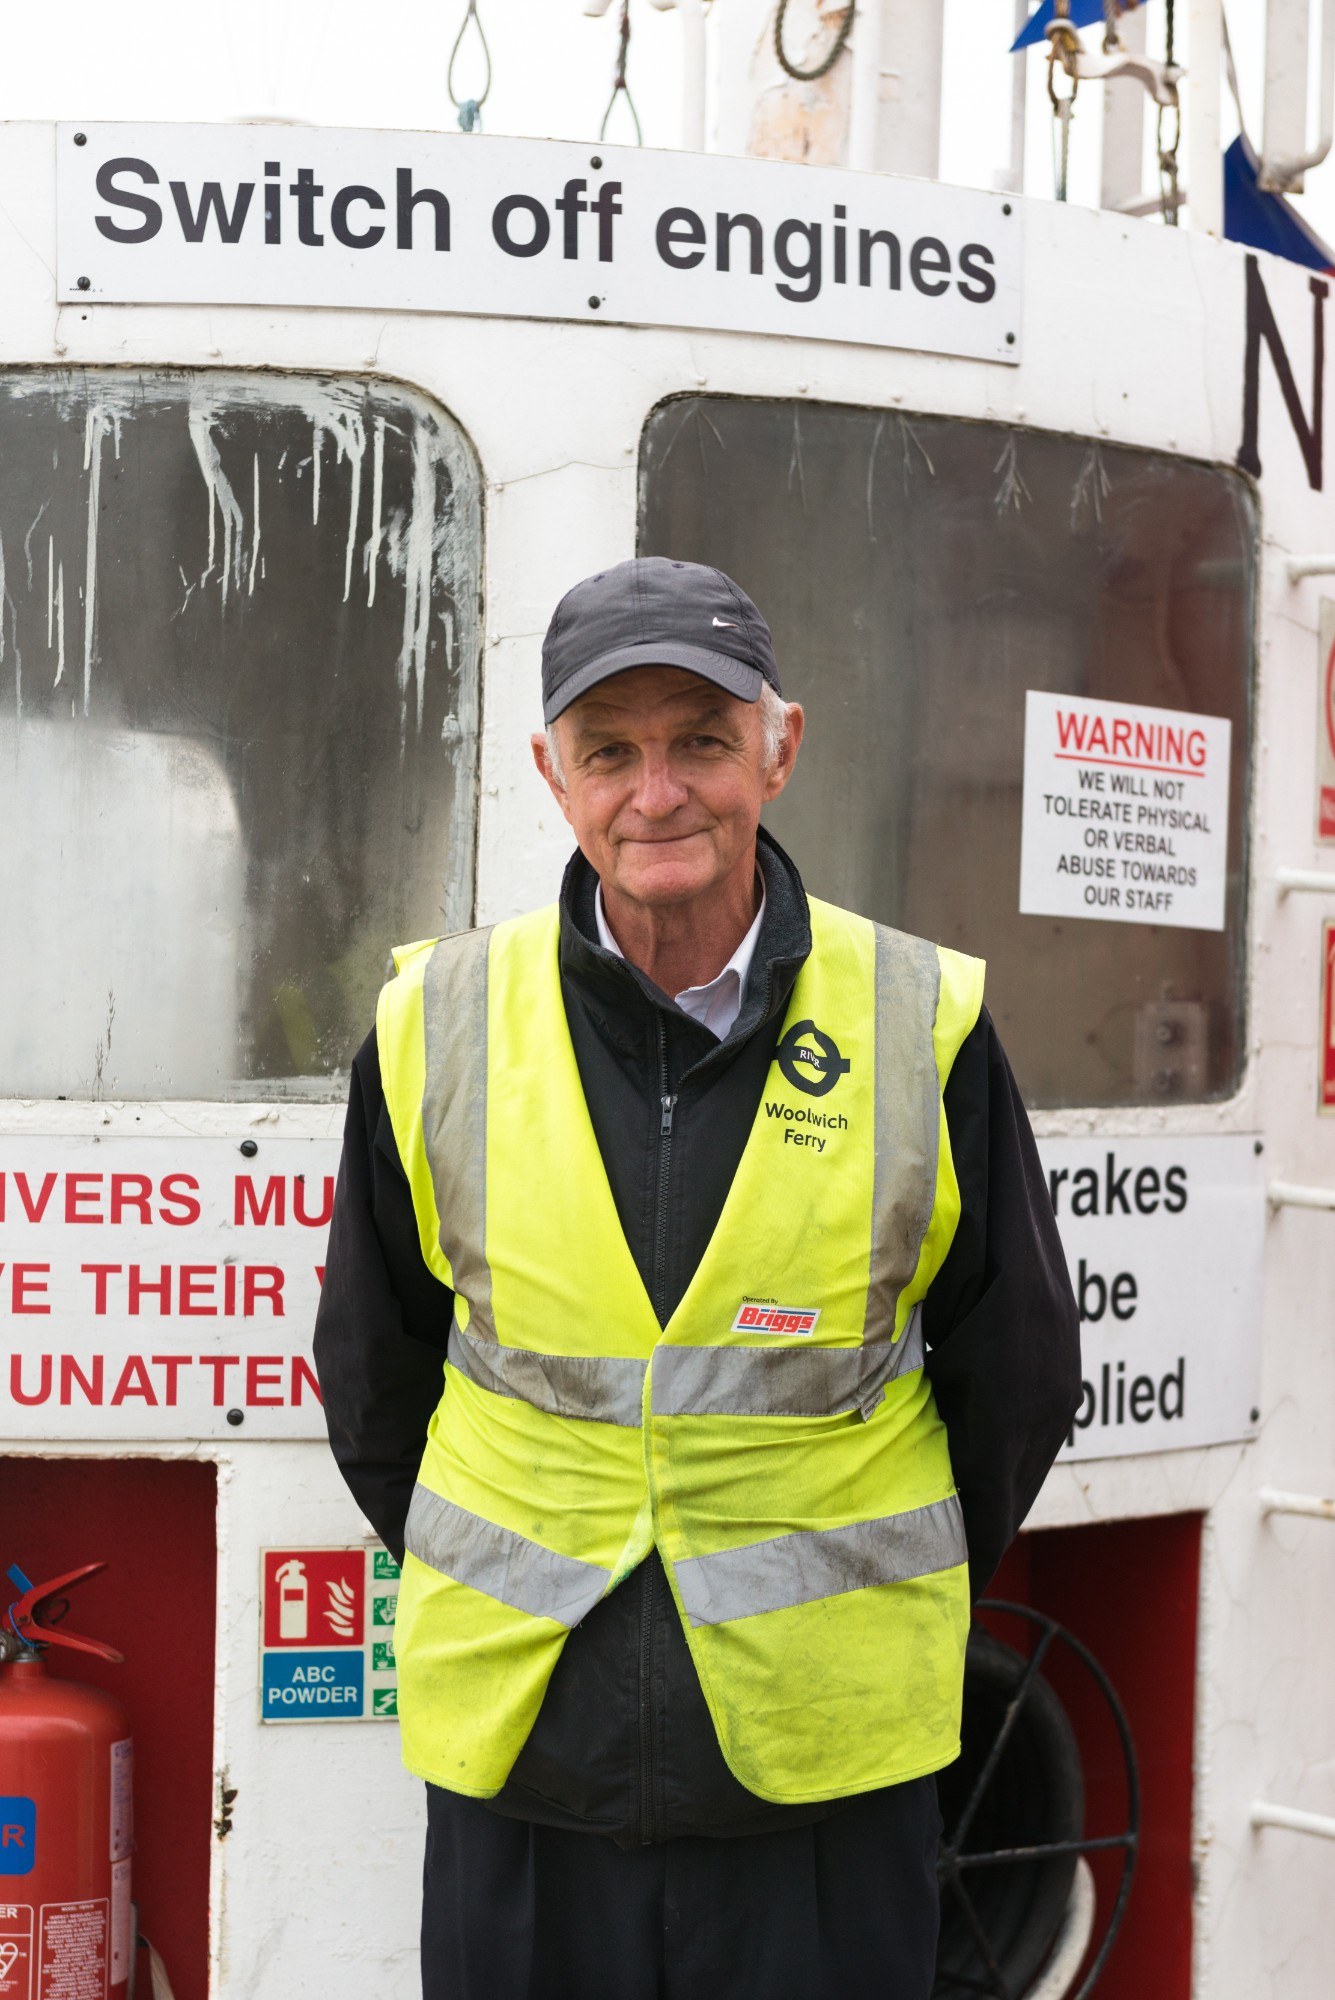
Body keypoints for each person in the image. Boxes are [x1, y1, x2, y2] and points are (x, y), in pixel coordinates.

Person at [314, 556, 1081, 2000]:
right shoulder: (436, 1022)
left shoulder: (921, 1019)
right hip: (525, 1770)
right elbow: (373, 1377)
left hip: (825, 1791)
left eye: (701, 742)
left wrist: (849, 1593)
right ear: (553, 773)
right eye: (611, 750)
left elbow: (1017, 1375)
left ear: (778, 750)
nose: (656, 793)